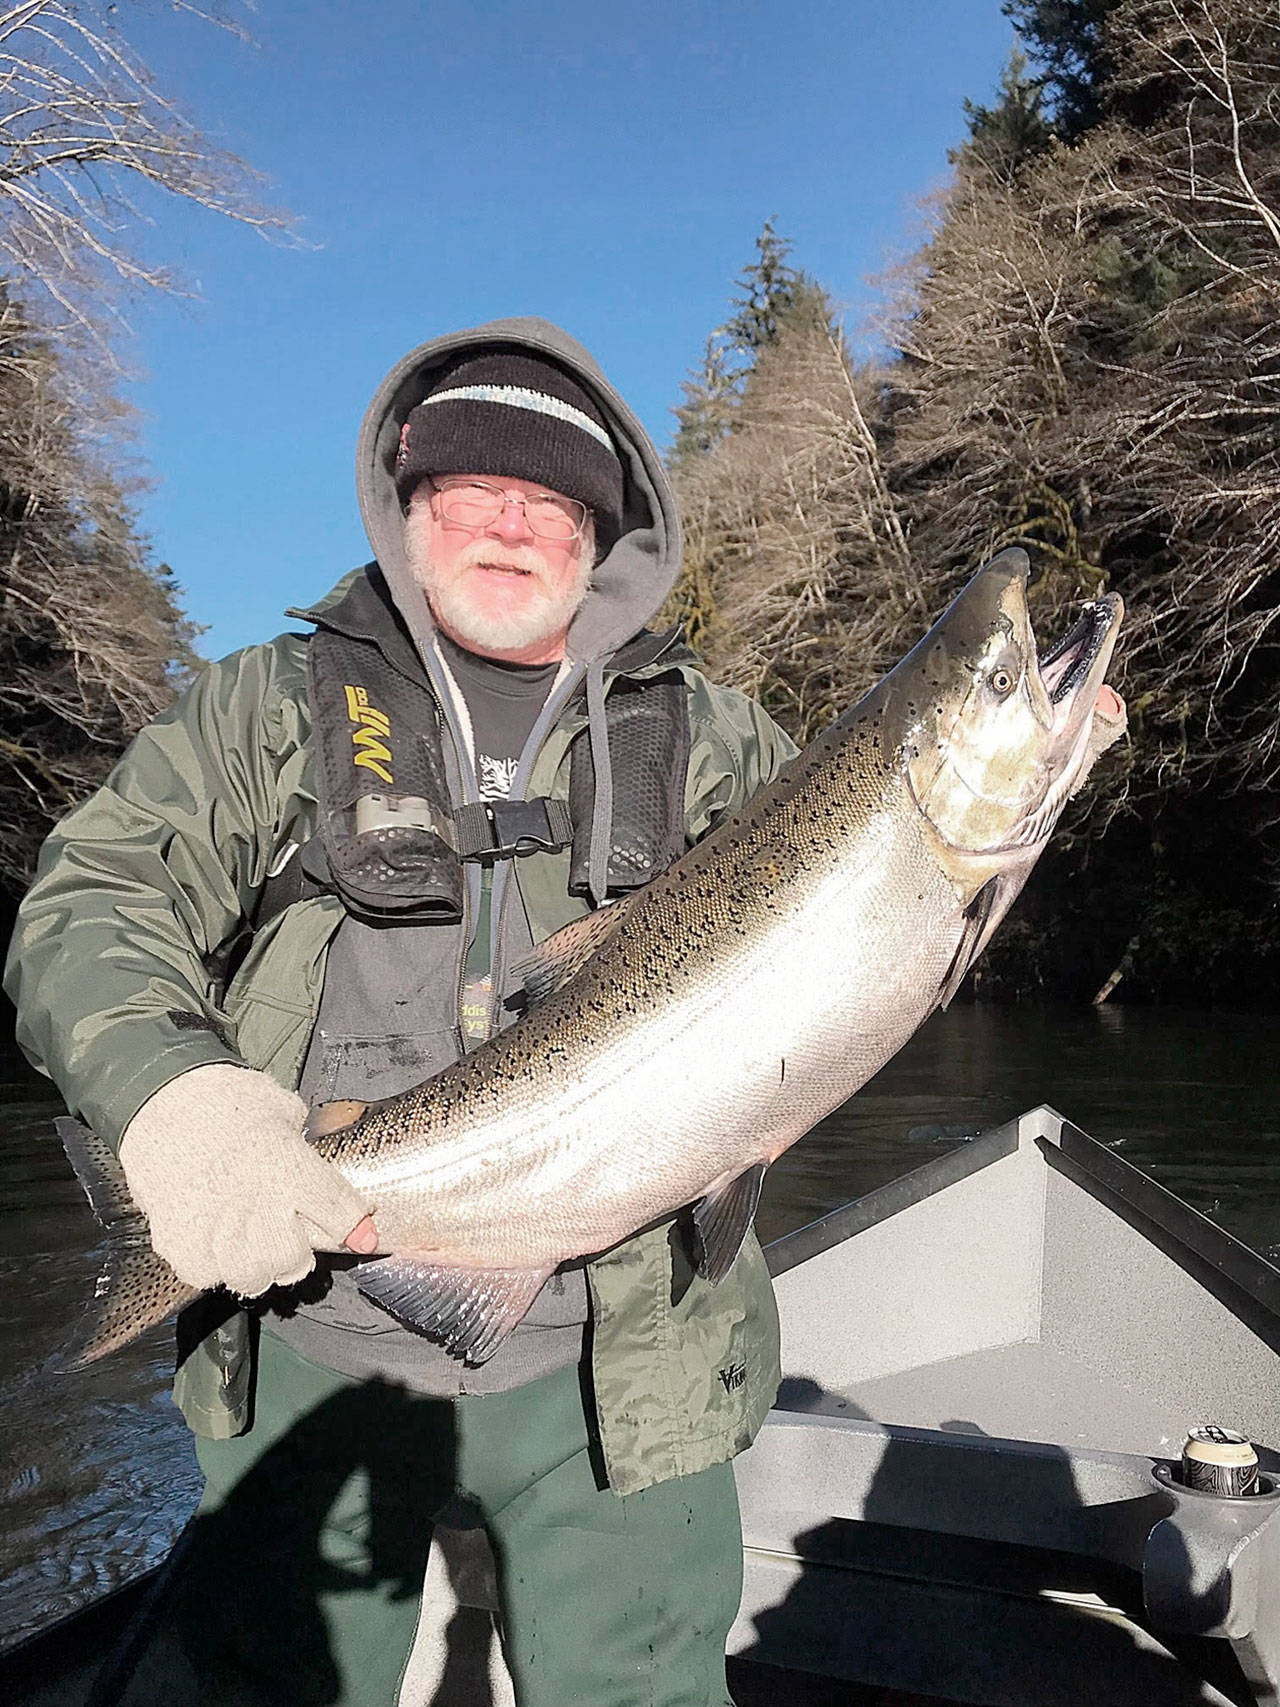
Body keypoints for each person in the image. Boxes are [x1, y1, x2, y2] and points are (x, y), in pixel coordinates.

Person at [4, 319, 798, 1707]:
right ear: (407, 506)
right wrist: (176, 1102)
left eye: (546, 495)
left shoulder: (723, 738)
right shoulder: (266, 708)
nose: (507, 521)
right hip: (308, 1330)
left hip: (634, 1372)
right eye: (469, 488)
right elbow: (90, 901)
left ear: (600, 530)